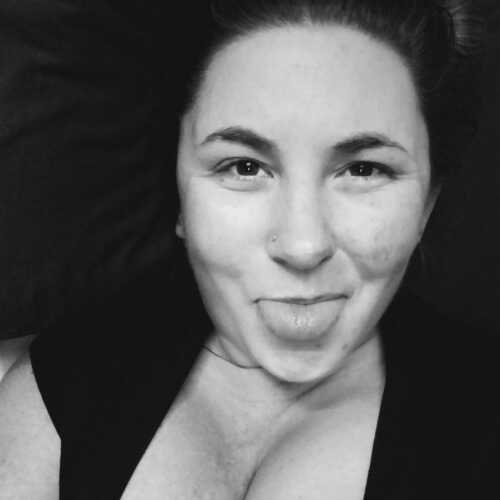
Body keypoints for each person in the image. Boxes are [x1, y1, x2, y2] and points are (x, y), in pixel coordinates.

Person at [1, 0, 498, 499]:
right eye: (244, 167)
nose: (303, 247)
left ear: (427, 203)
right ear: (179, 194)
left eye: (364, 170)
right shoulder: (65, 381)